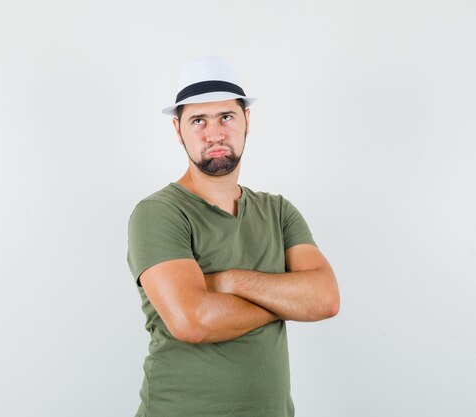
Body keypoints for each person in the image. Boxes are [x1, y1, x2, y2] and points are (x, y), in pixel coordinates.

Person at [126, 56, 340, 417]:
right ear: (178, 130)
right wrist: (285, 301)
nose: (215, 133)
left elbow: (325, 299)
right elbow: (192, 321)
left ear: (247, 121)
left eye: (226, 116)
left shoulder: (278, 211)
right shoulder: (159, 213)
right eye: (199, 121)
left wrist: (229, 281)